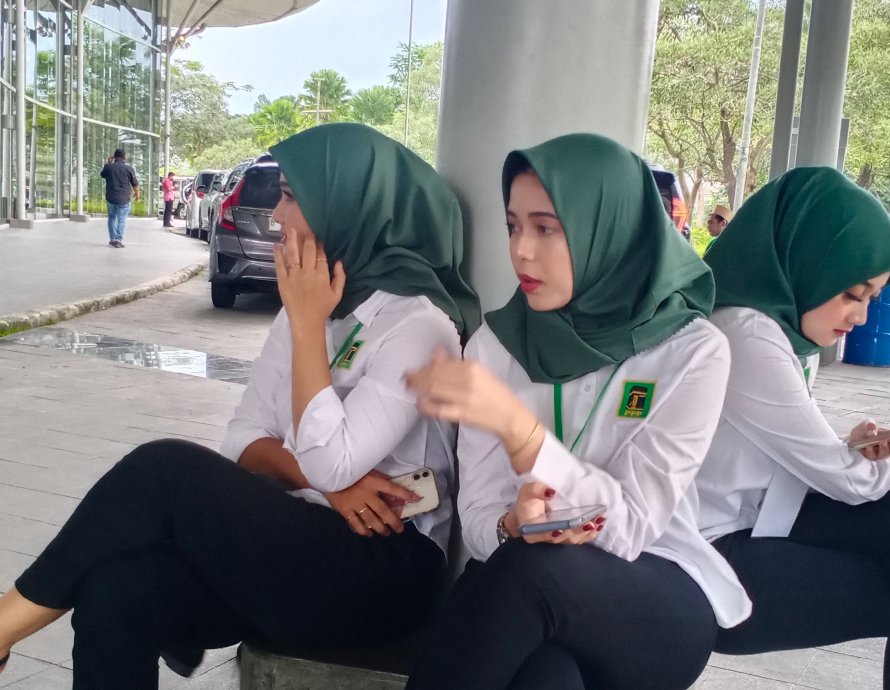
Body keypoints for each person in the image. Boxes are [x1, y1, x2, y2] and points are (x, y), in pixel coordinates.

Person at [0, 123, 480, 689]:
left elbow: (330, 461)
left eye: (292, 197)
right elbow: (244, 440)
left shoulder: (417, 326)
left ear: (351, 207)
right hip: (293, 540)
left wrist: (308, 327)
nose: (277, 214)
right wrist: (329, 486)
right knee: (117, 591)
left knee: (161, 471)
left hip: (380, 569)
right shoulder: (308, 307)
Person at [404, 133, 751, 690]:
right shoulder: (497, 345)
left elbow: (632, 527)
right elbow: (479, 515)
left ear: (608, 229)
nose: (521, 250)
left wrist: (524, 435)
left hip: (653, 591)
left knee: (524, 573)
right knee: (546, 674)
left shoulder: (691, 351)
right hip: (525, 589)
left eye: (546, 228)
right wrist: (511, 525)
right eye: (513, 226)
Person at [696, 166, 890, 689]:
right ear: (806, 260)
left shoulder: (774, 329)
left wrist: (851, 444)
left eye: (870, 299)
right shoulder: (745, 334)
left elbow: (788, 449)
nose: (861, 317)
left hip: (758, 518)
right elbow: (845, 482)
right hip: (708, 554)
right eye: (852, 293)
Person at [100, 148, 141, 248]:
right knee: (122, 219)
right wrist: (137, 194)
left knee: (111, 217)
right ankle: (118, 240)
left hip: (111, 198)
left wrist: (108, 163)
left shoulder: (108, 167)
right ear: (124, 157)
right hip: (124, 198)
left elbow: (102, 175)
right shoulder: (129, 168)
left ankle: (112, 239)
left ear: (114, 157)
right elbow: (135, 184)